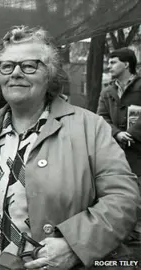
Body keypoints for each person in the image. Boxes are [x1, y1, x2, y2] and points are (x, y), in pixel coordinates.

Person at [0, 25, 139, 270]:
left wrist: (75, 245)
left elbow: (123, 198)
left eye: (29, 65)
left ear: (49, 74)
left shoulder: (89, 127)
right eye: (7, 66)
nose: (16, 73)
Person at [97, 47, 141, 242]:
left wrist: (131, 134)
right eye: (108, 62)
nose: (109, 66)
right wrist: (116, 133)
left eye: (113, 62)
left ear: (127, 64)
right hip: (117, 150)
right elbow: (102, 117)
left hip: (139, 148)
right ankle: (127, 230)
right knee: (122, 188)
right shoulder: (107, 91)